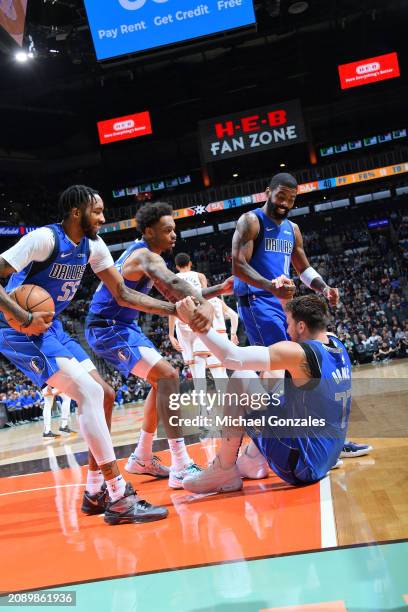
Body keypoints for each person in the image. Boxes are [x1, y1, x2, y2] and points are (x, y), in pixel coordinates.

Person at [0, 184, 184, 525]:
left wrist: (173, 308)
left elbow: (124, 293)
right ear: (76, 213)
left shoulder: (94, 247)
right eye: (96, 211)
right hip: (15, 328)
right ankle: (118, 497)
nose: (102, 217)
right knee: (89, 392)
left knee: (105, 395)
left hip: (50, 325)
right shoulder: (44, 240)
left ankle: (95, 490)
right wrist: (23, 316)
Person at [85, 202, 230, 488]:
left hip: (124, 326)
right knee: (168, 377)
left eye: (174, 229)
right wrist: (202, 303)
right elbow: (173, 283)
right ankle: (179, 465)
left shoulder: (146, 255)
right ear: (149, 231)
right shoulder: (145, 256)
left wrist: (216, 291)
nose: (174, 235)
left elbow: (176, 290)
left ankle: (141, 456)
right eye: (167, 230)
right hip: (106, 327)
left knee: (162, 381)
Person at [232, 172, 370, 459]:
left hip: (285, 303)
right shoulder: (251, 221)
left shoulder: (293, 229)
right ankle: (287, 439)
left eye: (291, 198)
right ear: (267, 192)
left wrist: (323, 287)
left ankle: (318, 436)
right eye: (281, 195)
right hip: (258, 301)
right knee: (281, 368)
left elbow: (303, 268)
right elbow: (238, 265)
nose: (285, 202)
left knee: (299, 366)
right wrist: (271, 285)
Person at [176, 294, 354, 494]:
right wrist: (286, 299)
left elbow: (231, 357)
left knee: (241, 378)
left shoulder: (300, 354)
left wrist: (195, 321)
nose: (287, 329)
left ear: (301, 326)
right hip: (327, 457)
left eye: (289, 323)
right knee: (272, 372)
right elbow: (302, 318)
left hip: (301, 466)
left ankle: (223, 469)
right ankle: (253, 458)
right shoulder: (335, 343)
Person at [169, 252, 238, 403]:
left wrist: (170, 335)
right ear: (190, 263)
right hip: (201, 320)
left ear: (176, 266)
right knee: (218, 370)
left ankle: (204, 412)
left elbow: (173, 308)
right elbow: (206, 298)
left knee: (196, 373)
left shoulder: (172, 279)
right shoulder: (200, 276)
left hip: (183, 323)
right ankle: (231, 407)